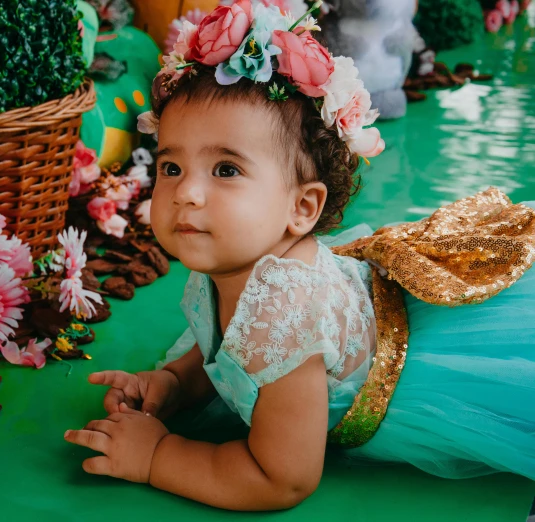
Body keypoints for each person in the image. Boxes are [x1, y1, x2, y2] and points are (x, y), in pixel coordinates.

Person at [63, 0, 535, 511]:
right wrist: (176, 382)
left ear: (302, 206)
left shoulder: (281, 311)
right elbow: (223, 345)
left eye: (225, 170)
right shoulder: (235, 260)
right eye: (171, 166)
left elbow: (282, 477)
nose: (186, 193)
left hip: (429, 382)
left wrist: (157, 455)